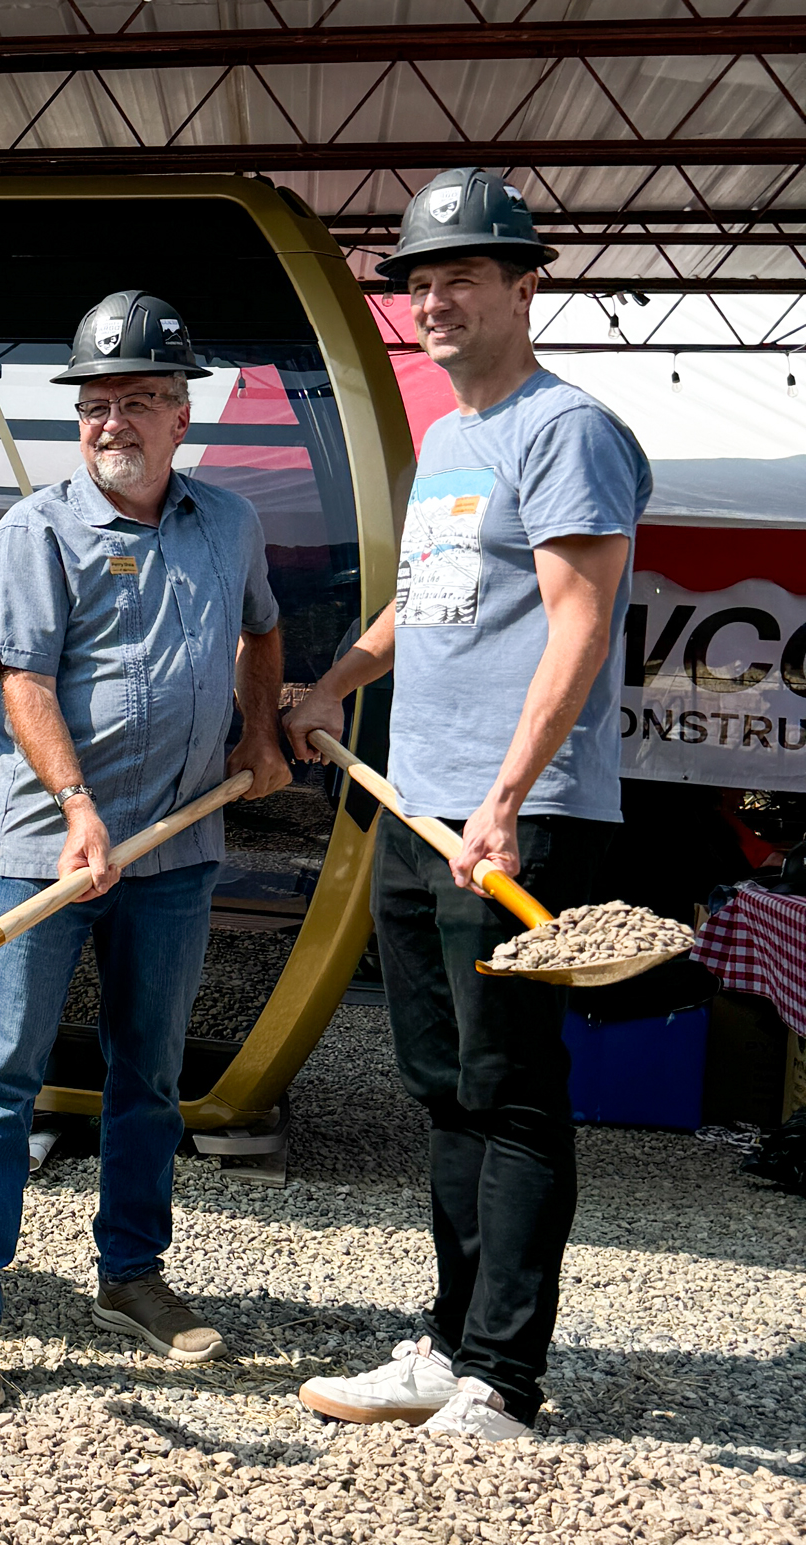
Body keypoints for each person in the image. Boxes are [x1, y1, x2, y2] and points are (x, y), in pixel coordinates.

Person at [286, 169, 649, 1442]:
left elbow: (579, 623)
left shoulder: (568, 432)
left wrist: (503, 795)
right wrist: (332, 682)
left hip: (514, 814)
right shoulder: (445, 440)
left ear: (523, 285)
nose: (432, 300)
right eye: (420, 281)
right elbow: (424, 601)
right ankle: (446, 1344)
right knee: (437, 1082)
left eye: (461, 277)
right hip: (414, 801)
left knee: (510, 1086)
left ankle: (504, 1376)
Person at [0, 292, 290, 1407]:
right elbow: (24, 685)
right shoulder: (34, 534)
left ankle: (130, 1273)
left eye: (138, 400)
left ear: (184, 416)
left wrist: (262, 728)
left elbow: (262, 628)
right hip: (48, 853)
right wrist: (79, 806)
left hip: (176, 857)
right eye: (95, 404)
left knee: (150, 1077)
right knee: (3, 1079)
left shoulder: (229, 524)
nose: (112, 422)